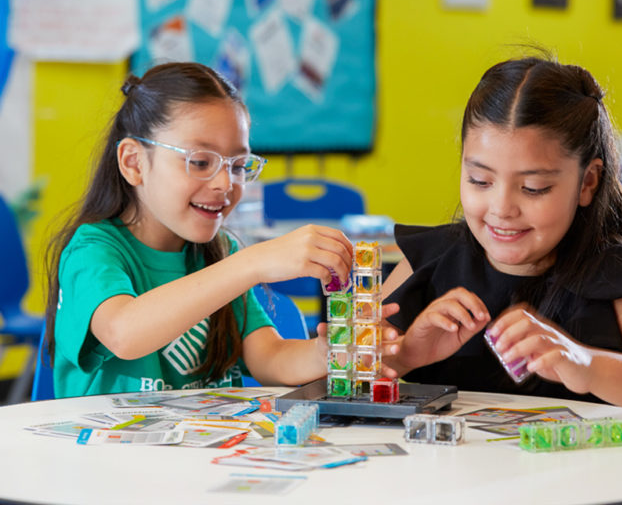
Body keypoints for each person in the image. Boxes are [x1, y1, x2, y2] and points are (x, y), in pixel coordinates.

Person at [380, 54, 622, 427]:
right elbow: (336, 378)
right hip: (443, 482)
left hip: (587, 483)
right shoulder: (426, 261)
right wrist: (405, 356)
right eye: (479, 180)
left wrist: (584, 364)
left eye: (533, 188)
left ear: (587, 182)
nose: (502, 208)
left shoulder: (616, 278)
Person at [43, 62, 398, 398]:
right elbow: (123, 332)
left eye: (240, 165)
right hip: (104, 457)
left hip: (201, 456)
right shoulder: (94, 250)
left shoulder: (220, 251)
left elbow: (269, 357)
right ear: (134, 163)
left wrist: (330, 353)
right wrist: (253, 263)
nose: (225, 183)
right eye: (200, 162)